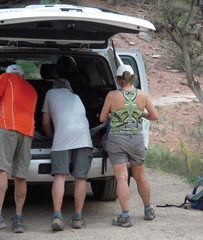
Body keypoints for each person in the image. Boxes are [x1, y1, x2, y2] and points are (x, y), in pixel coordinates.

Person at [100, 64, 159, 227]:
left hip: (117, 139)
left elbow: (102, 118)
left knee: (121, 177)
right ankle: (148, 210)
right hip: (136, 140)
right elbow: (155, 116)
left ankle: (125, 216)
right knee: (141, 177)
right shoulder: (143, 95)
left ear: (118, 79)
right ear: (133, 78)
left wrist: (116, 114)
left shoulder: (112, 95)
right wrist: (140, 113)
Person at [42, 56, 93, 231]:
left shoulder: (49, 93)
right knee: (81, 178)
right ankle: (78, 218)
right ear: (68, 88)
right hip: (84, 137)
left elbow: (46, 122)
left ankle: (57, 215)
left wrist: (50, 137)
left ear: (55, 86)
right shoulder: (76, 96)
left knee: (60, 176)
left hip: (62, 137)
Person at [0, 64, 37, 233]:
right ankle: (18, 218)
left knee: (1, 171)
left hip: (7, 128)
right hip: (27, 132)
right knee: (20, 175)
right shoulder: (32, 90)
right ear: (23, 75)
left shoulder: (5, 78)